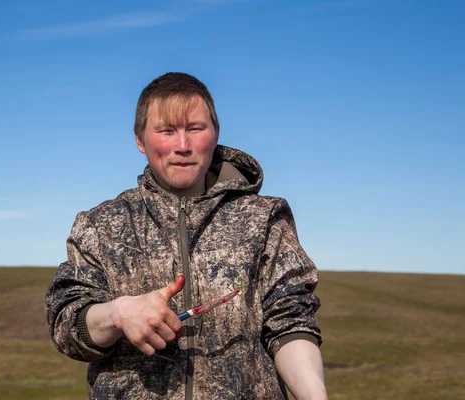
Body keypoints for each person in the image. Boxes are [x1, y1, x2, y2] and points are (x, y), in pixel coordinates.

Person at [45, 72, 327, 400]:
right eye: (166, 131)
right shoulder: (101, 225)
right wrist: (118, 314)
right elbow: (66, 323)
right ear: (140, 140)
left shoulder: (263, 218)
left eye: (195, 128)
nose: (182, 146)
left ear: (215, 132)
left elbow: (291, 321)